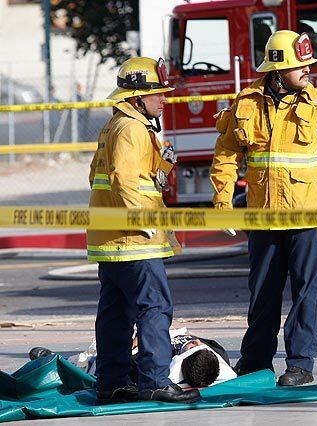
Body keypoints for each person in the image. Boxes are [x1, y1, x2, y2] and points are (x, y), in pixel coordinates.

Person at [209, 30, 317, 386]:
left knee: (309, 291)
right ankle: (257, 362)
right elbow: (227, 155)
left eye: (308, 64)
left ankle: (300, 365)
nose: (307, 70)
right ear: (277, 71)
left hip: (310, 215)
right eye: (300, 65)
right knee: (262, 294)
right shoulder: (246, 104)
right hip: (263, 217)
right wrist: (222, 201)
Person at [87, 57, 199, 404]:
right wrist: (143, 221)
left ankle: (112, 383)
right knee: (155, 307)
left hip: (111, 240)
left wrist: (161, 163)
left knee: (115, 312)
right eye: (158, 94)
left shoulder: (114, 127)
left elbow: (98, 176)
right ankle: (154, 381)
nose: (164, 100)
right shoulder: (133, 129)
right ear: (137, 98)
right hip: (135, 240)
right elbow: (122, 180)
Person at [28, 328, 237, 388]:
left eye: (192, 345)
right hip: (153, 332)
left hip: (114, 354)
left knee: (86, 363)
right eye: (198, 344)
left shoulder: (160, 362)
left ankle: (56, 362)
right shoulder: (215, 354)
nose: (195, 342)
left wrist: (138, 340)